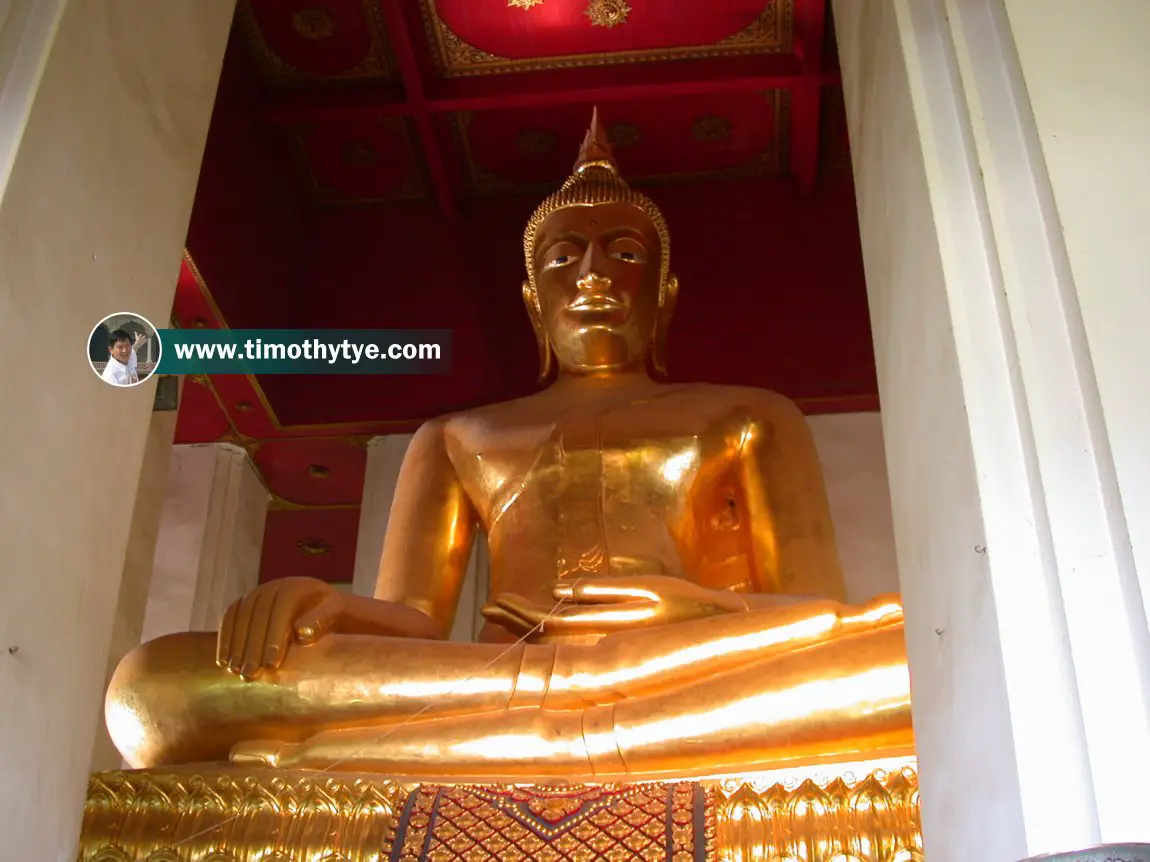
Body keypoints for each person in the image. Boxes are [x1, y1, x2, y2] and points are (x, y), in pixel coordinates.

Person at [104, 110, 913, 778]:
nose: (593, 274)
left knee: (910, 659)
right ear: (534, 304)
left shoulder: (749, 413)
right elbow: (415, 621)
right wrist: (329, 603)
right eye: (566, 258)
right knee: (154, 688)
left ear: (663, 299)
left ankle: (366, 753)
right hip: (497, 680)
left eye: (624, 254)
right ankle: (561, 735)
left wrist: (694, 608)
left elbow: (819, 614)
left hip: (687, 657)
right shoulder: (458, 437)